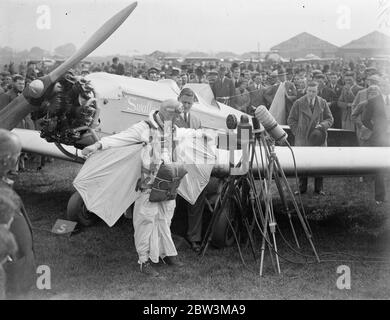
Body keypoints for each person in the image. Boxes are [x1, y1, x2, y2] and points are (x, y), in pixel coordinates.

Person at [82, 100, 187, 277]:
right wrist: (97, 145)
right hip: (148, 184)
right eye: (175, 115)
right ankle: (144, 260)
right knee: (145, 220)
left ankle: (166, 254)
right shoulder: (143, 128)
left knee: (165, 218)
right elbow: (121, 138)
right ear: (167, 113)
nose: (177, 119)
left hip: (168, 184)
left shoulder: (173, 129)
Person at [0, 129, 35, 298]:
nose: (17, 159)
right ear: (6, 160)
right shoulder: (3, 196)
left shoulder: (4, 187)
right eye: (16, 155)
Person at [287, 82, 334, 195]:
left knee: (320, 163)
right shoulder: (298, 103)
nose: (311, 93)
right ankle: (302, 188)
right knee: (303, 163)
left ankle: (319, 188)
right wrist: (297, 132)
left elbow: (330, 119)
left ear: (317, 92)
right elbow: (291, 120)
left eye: (314, 91)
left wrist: (322, 126)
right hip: (303, 139)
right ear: (306, 90)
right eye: (309, 91)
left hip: (319, 137)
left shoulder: (322, 103)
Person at [175, 88, 206, 252]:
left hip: (192, 167)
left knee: (198, 196)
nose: (186, 105)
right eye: (183, 102)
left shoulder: (196, 120)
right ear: (178, 99)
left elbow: (200, 144)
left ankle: (195, 238)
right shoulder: (169, 117)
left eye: (189, 103)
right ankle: (172, 235)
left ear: (193, 103)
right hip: (175, 166)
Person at [361, 85, 389, 204]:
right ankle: (380, 197)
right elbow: (364, 119)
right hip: (380, 139)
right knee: (380, 168)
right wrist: (376, 129)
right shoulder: (373, 101)